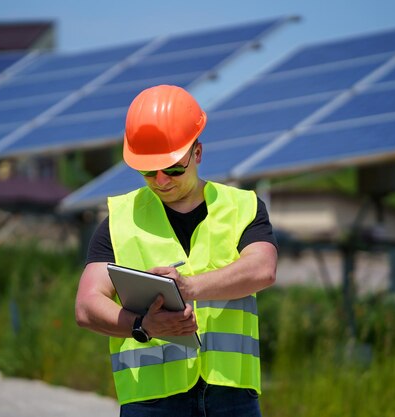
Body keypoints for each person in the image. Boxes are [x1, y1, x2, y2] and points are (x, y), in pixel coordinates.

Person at [75, 84, 278, 417]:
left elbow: (262, 269)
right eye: (148, 171)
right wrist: (143, 324)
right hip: (150, 401)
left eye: (171, 168)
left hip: (232, 396)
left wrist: (189, 287)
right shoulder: (118, 220)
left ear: (197, 153)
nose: (161, 181)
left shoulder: (244, 207)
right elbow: (86, 305)